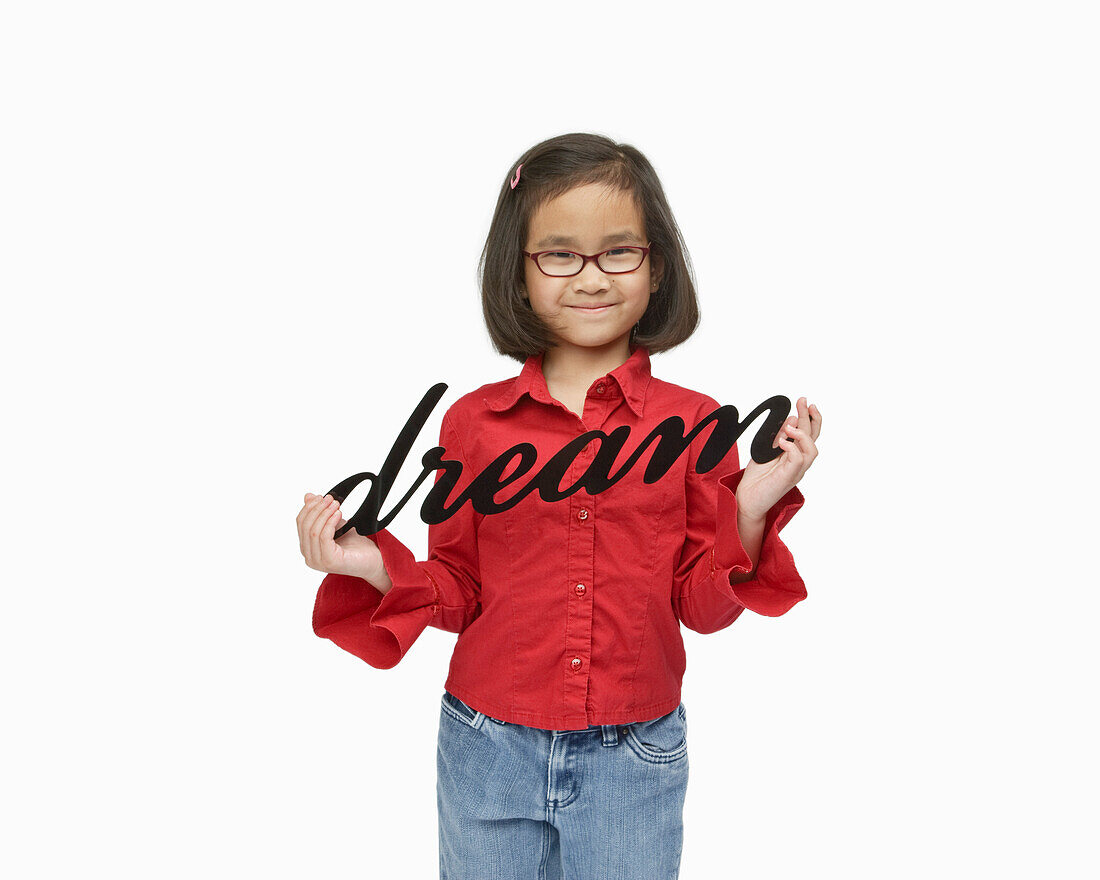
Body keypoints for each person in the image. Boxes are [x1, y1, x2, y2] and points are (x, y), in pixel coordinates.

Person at [296, 132, 822, 879]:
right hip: (487, 745)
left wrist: (751, 508)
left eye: (618, 251)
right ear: (520, 273)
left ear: (656, 266)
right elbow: (458, 593)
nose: (591, 277)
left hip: (633, 758)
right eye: (559, 254)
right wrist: (370, 565)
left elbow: (700, 610)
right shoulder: (473, 424)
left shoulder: (699, 425)